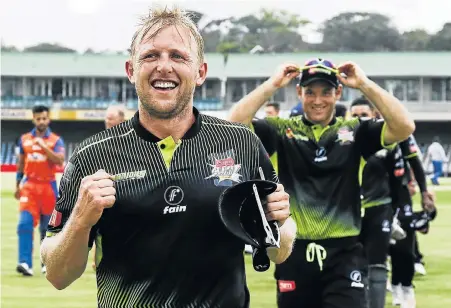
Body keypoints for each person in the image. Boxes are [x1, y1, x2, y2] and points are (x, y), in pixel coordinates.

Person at [40, 6, 296, 308]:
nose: (164, 66)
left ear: (200, 72)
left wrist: (278, 224)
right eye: (150, 56)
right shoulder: (91, 156)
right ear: (131, 70)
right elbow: (58, 275)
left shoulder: (241, 143)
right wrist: (81, 221)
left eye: (178, 56)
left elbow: (279, 250)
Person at [228, 58, 415, 307]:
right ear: (298, 92)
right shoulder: (281, 131)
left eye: (326, 92)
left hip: (345, 254)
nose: (318, 100)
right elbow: (233, 125)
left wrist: (364, 84)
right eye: (310, 92)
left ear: (338, 92)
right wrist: (272, 84)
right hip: (293, 252)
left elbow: (404, 126)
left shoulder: (356, 131)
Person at [350, 97, 395, 308]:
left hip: (379, 208)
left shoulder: (384, 142)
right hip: (350, 212)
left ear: (373, 115)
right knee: (354, 265)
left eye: (363, 115)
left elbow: (399, 178)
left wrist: (397, 210)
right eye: (355, 115)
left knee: (377, 263)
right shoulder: (342, 144)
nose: (359, 119)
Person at [15, 105, 65, 276]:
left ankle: (47, 263)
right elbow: (21, 164)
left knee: (47, 228)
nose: (42, 121)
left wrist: (43, 146)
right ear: (34, 119)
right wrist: (17, 185)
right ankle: (24, 263)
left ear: (48, 119)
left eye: (44, 118)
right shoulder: (24, 139)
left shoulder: (56, 140)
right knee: (24, 224)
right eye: (38, 119)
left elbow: (60, 160)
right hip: (29, 186)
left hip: (48, 187)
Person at [388, 131, 435, 308]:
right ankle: (392, 285)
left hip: (400, 194)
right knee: (383, 248)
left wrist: (423, 191)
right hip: (373, 195)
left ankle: (406, 288)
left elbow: (414, 161)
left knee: (405, 247)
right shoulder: (362, 131)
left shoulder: (401, 133)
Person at [91, 104, 128, 271]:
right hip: (104, 193)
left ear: (121, 119)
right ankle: (98, 260)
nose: (108, 121)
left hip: (126, 193)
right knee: (99, 227)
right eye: (106, 118)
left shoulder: (131, 141)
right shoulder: (100, 143)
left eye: (111, 118)